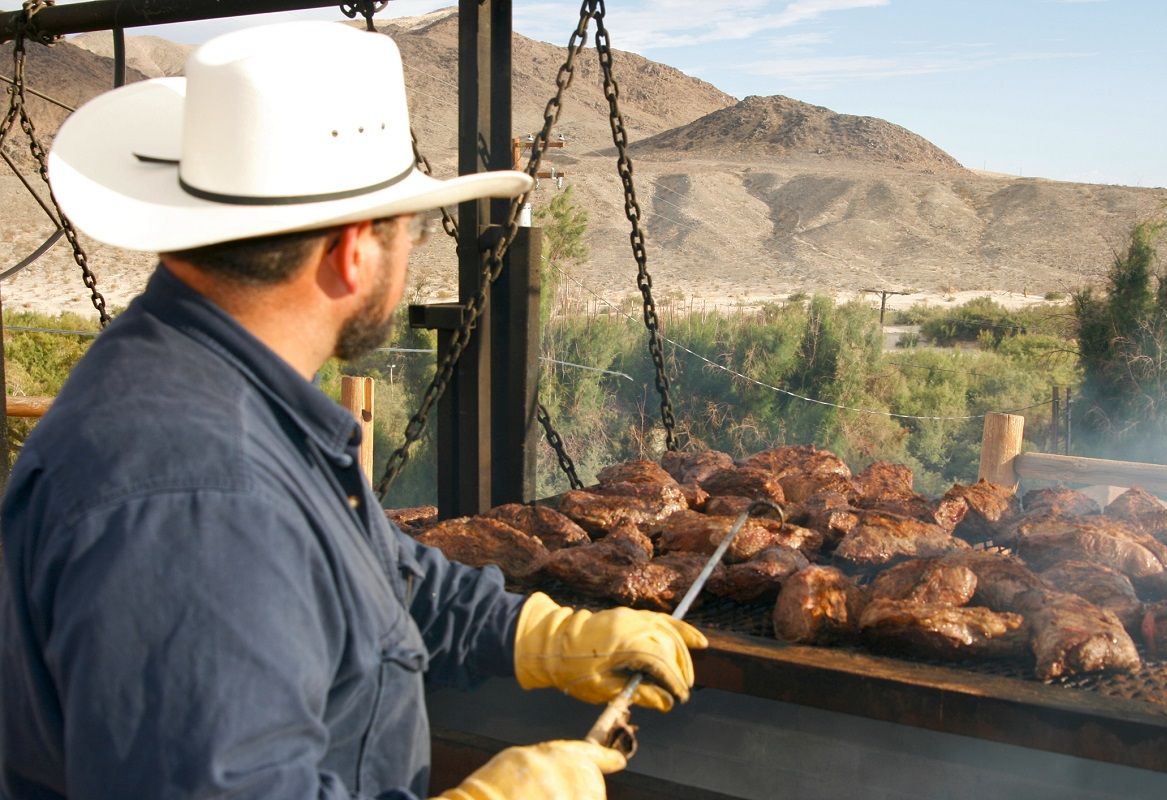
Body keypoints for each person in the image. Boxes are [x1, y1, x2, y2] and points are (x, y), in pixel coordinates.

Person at [0, 21, 706, 800]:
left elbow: (370, 574)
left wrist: (536, 635)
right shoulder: (198, 496)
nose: (411, 255)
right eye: (407, 231)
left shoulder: (227, 392)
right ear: (351, 252)